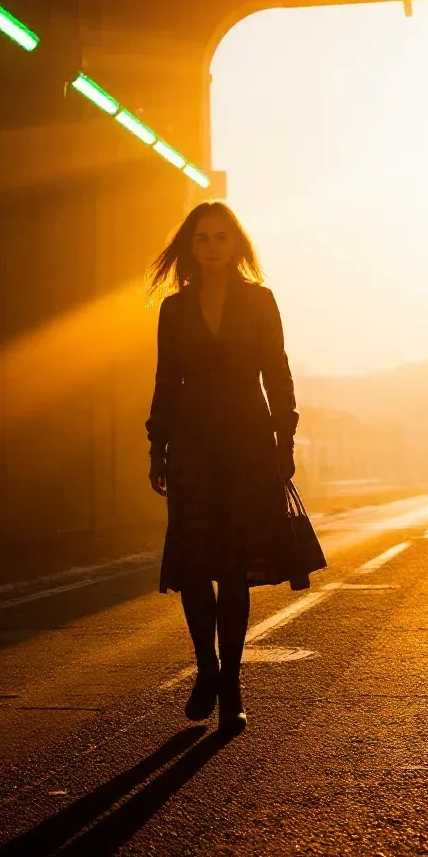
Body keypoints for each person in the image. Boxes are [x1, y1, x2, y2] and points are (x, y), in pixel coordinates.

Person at [144, 200, 302, 734]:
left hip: (245, 443)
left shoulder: (260, 302)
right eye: (202, 238)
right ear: (190, 247)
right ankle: (206, 668)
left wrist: (285, 440)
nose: (211, 246)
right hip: (190, 444)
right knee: (193, 565)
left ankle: (231, 682)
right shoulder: (174, 310)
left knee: (232, 569)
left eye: (221, 236)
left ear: (236, 245)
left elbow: (277, 374)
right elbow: (166, 381)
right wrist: (156, 445)